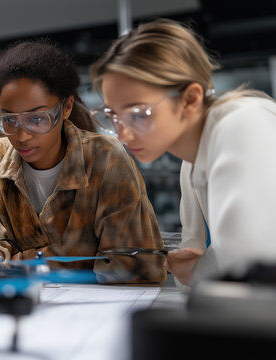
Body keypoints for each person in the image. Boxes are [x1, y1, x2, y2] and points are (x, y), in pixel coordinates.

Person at [89, 19, 276, 286]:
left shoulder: (243, 122)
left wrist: (199, 270)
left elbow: (253, 269)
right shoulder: (191, 162)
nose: (122, 135)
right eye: (113, 116)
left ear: (190, 99)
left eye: (138, 114)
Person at [0, 40, 166, 283]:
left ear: (66, 107)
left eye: (37, 119)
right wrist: (80, 257)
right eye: (9, 120)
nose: (22, 135)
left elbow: (135, 264)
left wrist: (15, 261)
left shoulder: (105, 157)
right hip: (16, 303)